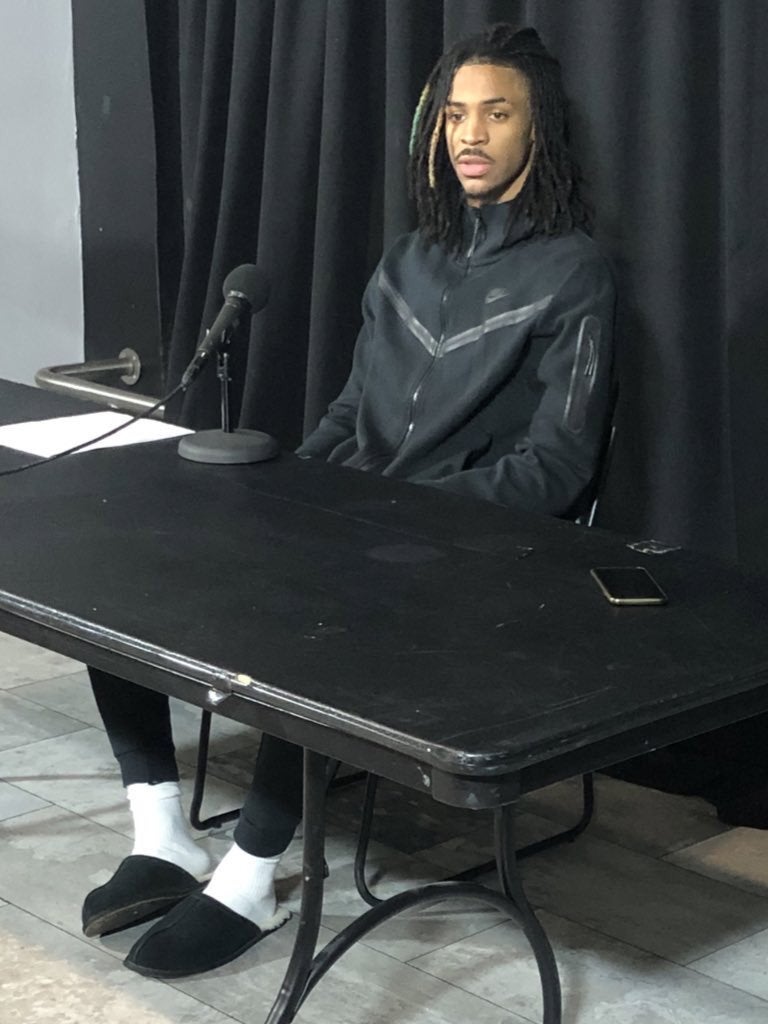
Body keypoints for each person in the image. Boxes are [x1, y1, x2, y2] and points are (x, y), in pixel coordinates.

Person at [83, 23, 615, 979]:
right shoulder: (408, 259)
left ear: (537, 131)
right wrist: (291, 488)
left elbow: (557, 467)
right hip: (354, 518)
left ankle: (251, 880)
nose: (470, 134)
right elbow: (347, 414)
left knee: (322, 612)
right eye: (455, 115)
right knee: (121, 569)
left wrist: (402, 511)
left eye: (497, 113)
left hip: (463, 549)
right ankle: (162, 836)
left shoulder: (573, 272)